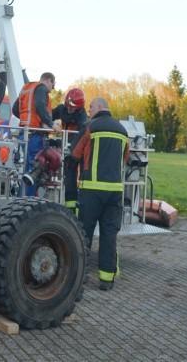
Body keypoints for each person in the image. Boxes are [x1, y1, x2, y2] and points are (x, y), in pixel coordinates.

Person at [72, 97, 128, 290]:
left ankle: (79, 276)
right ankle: (106, 279)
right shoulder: (123, 131)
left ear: (100, 107)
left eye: (91, 107)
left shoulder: (90, 127)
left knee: (84, 234)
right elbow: (125, 158)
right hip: (115, 192)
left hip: (91, 191)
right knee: (109, 235)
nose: (88, 111)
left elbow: (75, 154)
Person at [13, 72, 60, 197]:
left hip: (25, 132)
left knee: (27, 168)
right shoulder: (41, 89)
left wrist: (26, 120)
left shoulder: (27, 88)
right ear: (49, 80)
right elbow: (40, 106)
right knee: (35, 169)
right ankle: (28, 201)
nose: (52, 89)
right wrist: (50, 124)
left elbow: (15, 109)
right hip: (35, 135)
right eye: (53, 85)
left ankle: (21, 199)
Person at [52, 88, 88, 215]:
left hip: (77, 150)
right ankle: (69, 208)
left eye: (72, 107)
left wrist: (73, 149)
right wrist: (52, 125)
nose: (69, 109)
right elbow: (49, 115)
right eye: (68, 105)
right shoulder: (62, 109)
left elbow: (84, 129)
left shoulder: (82, 115)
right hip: (65, 148)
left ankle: (76, 211)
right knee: (67, 180)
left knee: (77, 180)